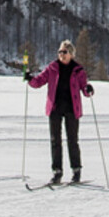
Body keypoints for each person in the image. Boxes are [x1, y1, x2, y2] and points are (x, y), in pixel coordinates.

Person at [25, 40, 94, 184]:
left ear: (71, 54)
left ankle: (76, 171)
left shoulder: (78, 70)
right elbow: (39, 81)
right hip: (55, 108)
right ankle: (57, 172)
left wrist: (89, 89)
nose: (61, 55)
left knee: (72, 141)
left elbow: (84, 88)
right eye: (60, 52)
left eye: (64, 52)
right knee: (55, 141)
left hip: (72, 109)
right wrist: (30, 79)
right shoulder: (52, 67)